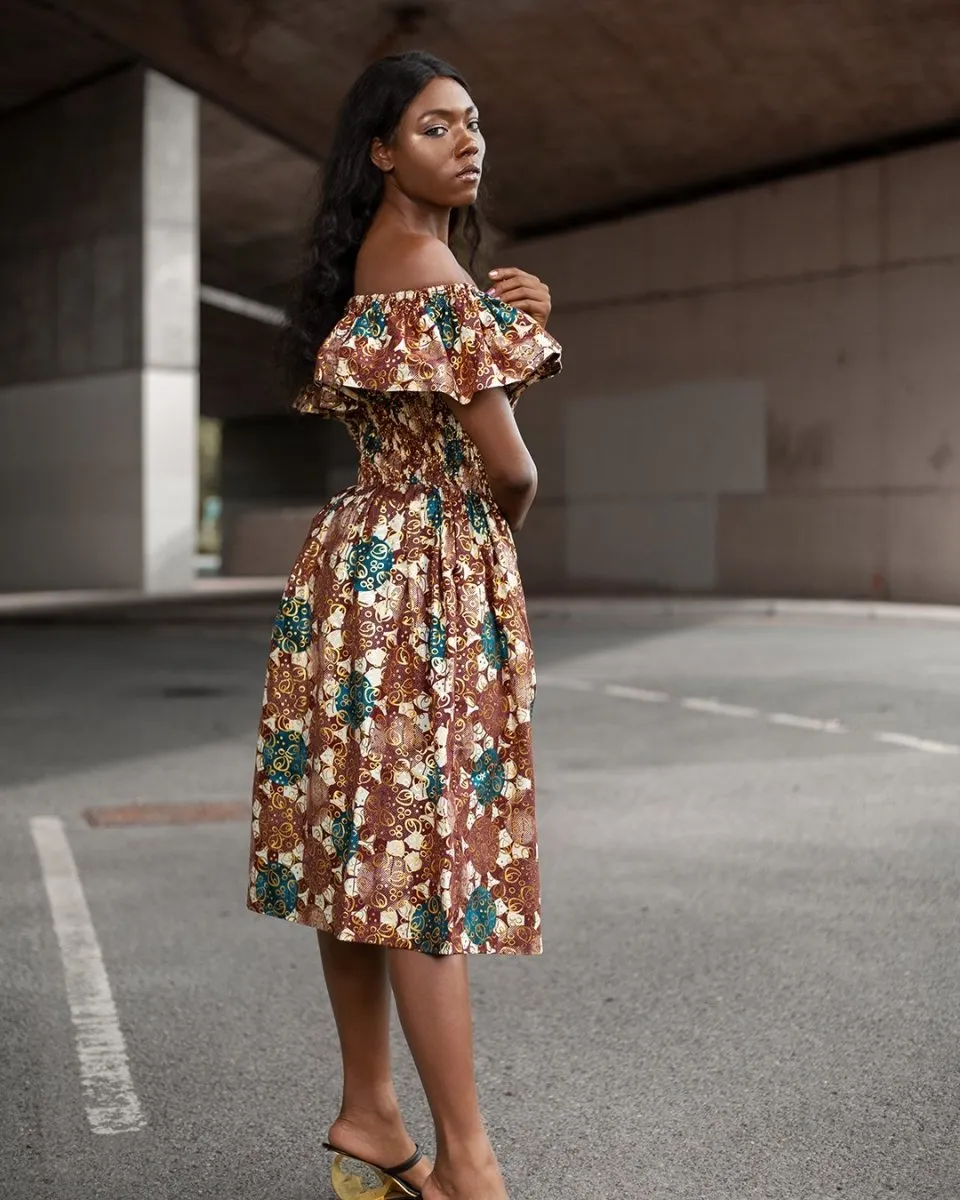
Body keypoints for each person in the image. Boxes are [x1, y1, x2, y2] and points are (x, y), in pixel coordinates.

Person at [246, 49, 561, 1200]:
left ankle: (372, 1114)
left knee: (362, 855)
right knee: (427, 867)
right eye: (437, 127)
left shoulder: (381, 266)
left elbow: (430, 397)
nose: (468, 140)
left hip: (348, 573)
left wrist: (500, 324)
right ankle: (470, 1167)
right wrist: (487, 540)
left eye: (474, 123)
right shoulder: (432, 267)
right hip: (425, 576)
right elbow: (509, 472)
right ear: (383, 150)